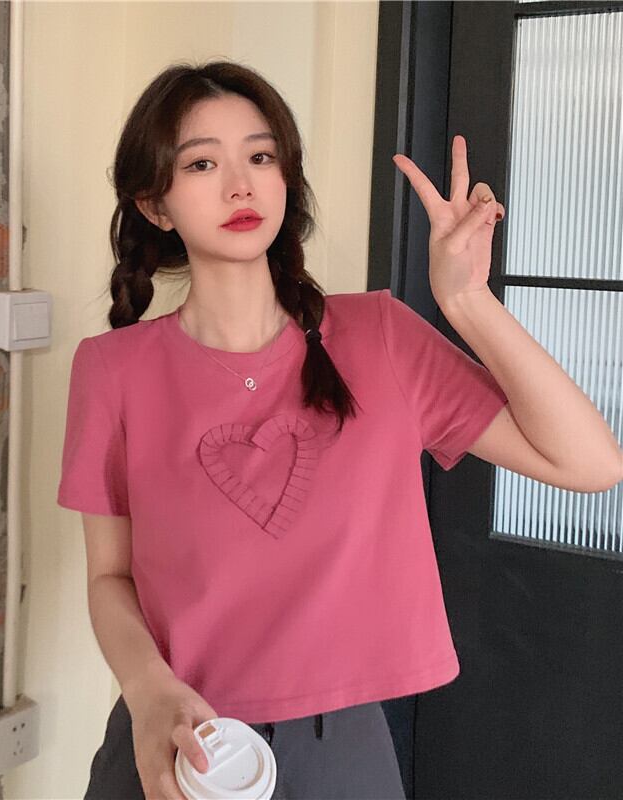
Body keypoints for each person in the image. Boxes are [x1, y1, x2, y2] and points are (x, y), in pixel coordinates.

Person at [57, 59, 509, 800]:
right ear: (155, 204)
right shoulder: (112, 368)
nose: (241, 185)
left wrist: (467, 301)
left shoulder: (381, 337)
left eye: (261, 157)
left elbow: (590, 462)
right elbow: (110, 575)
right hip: (179, 741)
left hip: (343, 752)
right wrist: (148, 691)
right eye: (202, 163)